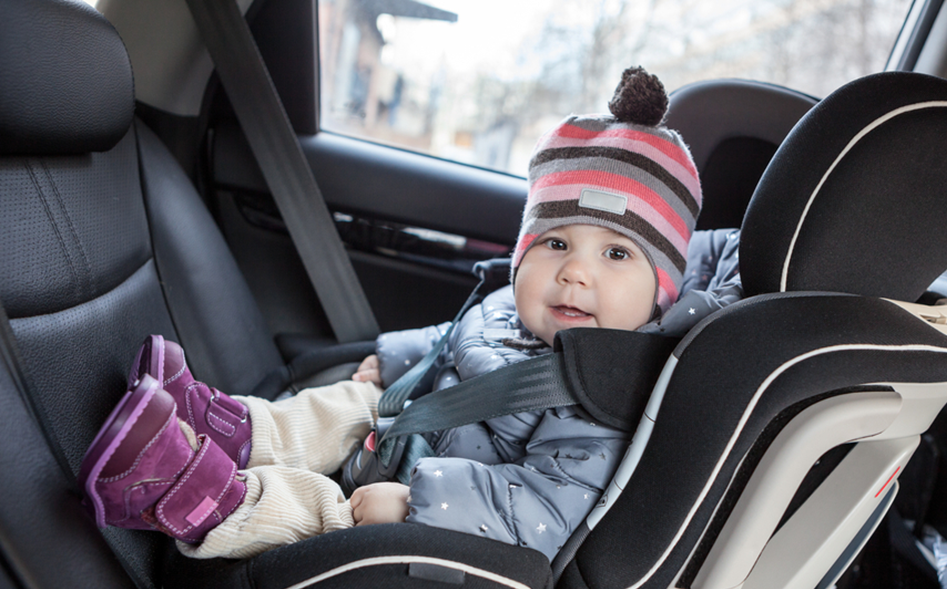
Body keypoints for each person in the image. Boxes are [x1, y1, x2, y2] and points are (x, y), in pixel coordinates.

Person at [79, 67, 703, 562]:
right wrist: (399, 357)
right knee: (353, 403)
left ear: (661, 294)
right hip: (406, 429)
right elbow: (451, 338)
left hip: (428, 511)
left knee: (332, 512)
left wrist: (416, 502)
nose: (576, 271)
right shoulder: (512, 313)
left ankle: (203, 496)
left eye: (617, 253)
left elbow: (545, 511)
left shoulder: (610, 397)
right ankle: (233, 427)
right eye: (556, 243)